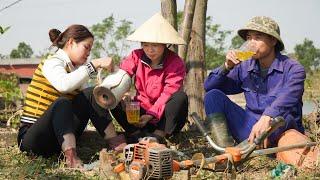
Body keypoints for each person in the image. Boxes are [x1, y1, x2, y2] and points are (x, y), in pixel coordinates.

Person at [17, 24, 126, 168]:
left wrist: (119, 95)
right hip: (33, 139)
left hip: (57, 140)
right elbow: (63, 85)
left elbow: (92, 99)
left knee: (92, 94)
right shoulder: (52, 62)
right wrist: (94, 64)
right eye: (86, 47)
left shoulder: (76, 71)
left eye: (90, 50)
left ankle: (117, 146)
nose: (88, 53)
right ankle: (71, 159)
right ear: (71, 42)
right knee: (62, 103)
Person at [204, 16, 306, 148]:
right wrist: (226, 66)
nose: (251, 43)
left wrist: (268, 116)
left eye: (257, 38)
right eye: (248, 38)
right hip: (250, 130)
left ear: (273, 40)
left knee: (283, 118)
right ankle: (227, 152)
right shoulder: (245, 66)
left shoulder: (293, 69)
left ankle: (261, 147)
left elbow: (288, 98)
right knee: (213, 96)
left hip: (280, 132)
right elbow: (209, 86)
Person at [110, 13, 188, 143]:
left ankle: (158, 135)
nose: (150, 50)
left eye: (155, 45)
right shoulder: (136, 56)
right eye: (146, 45)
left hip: (164, 115)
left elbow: (168, 93)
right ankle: (135, 133)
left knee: (180, 97)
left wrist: (151, 115)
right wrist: (123, 93)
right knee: (114, 96)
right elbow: (123, 75)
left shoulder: (176, 62)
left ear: (164, 45)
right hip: (140, 111)